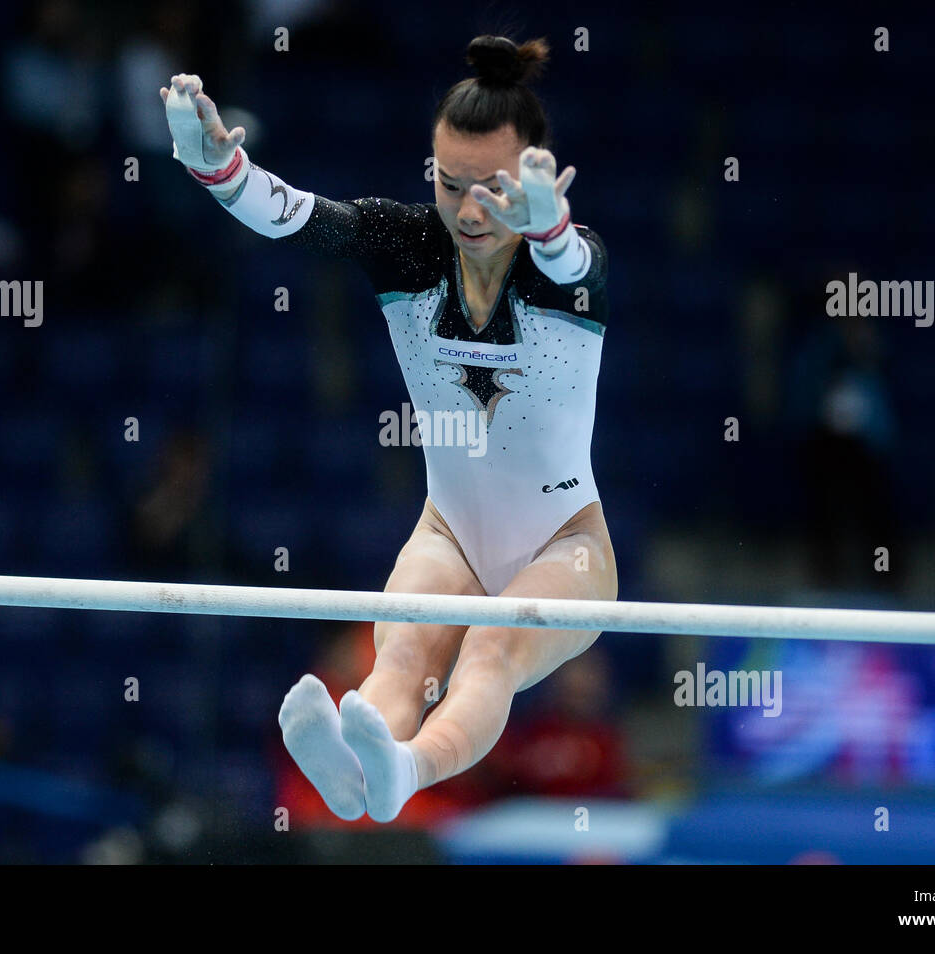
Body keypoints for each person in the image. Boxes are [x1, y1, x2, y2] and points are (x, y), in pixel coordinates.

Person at [161, 34, 617, 822]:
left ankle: (408, 770)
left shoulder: (561, 266)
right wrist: (215, 169)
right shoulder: (407, 244)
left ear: (534, 179)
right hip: (449, 530)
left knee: (489, 650)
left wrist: (548, 228)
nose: (470, 209)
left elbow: (578, 262)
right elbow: (299, 216)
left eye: (496, 189)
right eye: (451, 182)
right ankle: (352, 770)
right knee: (400, 653)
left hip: (565, 545)